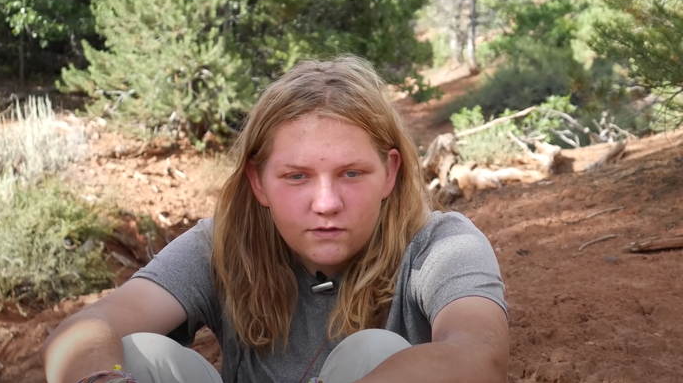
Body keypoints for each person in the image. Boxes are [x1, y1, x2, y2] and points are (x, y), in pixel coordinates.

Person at [41, 55, 509, 383]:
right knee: (141, 356)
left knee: (373, 352)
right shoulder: (219, 246)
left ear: (389, 173)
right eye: (297, 176)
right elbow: (84, 329)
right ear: (259, 182)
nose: (325, 202)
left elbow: (477, 355)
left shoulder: (442, 246)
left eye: (351, 173)